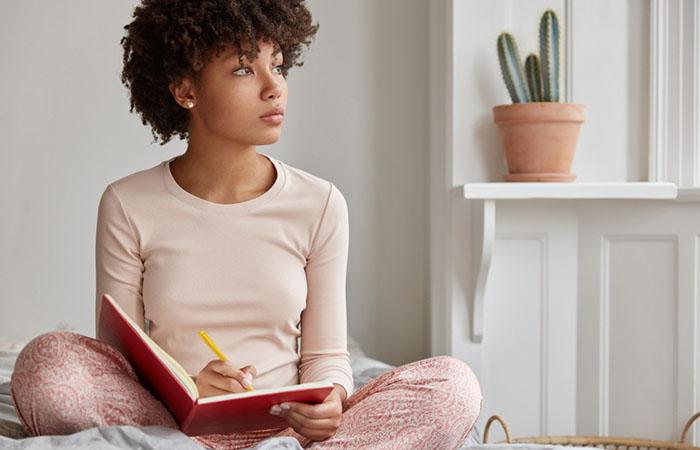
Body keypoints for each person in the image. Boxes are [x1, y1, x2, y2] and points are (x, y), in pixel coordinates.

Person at [10, 1, 482, 449]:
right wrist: (190, 386)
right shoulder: (127, 203)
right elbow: (120, 363)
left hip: (288, 432)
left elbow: (325, 357)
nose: (273, 85)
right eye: (243, 68)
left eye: (277, 65)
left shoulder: (320, 204)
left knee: (453, 387)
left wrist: (332, 400)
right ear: (185, 90)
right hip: (169, 428)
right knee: (47, 365)